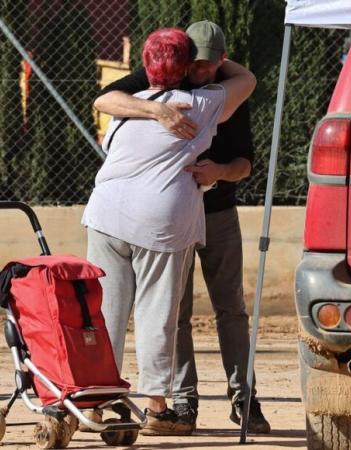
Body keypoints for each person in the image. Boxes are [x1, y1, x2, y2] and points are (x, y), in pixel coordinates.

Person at [93, 21, 270, 434]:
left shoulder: (218, 94)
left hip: (209, 211)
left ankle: (244, 399)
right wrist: (157, 109)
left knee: (228, 309)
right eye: (196, 63)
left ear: (221, 62)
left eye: (211, 65)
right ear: (184, 61)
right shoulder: (197, 97)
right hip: (167, 220)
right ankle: (175, 402)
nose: (202, 72)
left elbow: (245, 162)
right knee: (169, 315)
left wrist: (220, 172)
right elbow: (105, 98)